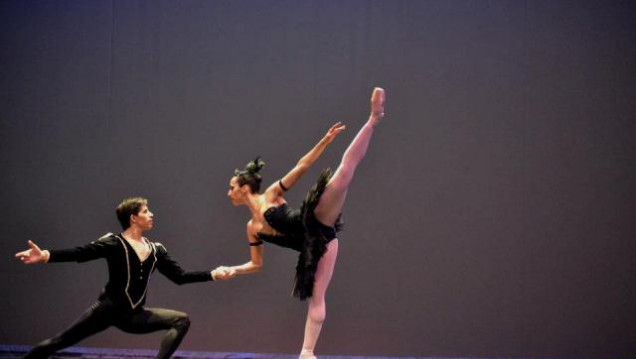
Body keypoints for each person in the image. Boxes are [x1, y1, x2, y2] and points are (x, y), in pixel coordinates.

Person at [220, 87, 386, 359]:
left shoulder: (271, 195)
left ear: (244, 188)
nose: (228, 193)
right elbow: (256, 264)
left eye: (231, 187)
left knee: (344, 173)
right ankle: (307, 353)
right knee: (316, 297)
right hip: (317, 246)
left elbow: (301, 167)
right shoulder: (251, 228)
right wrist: (233, 270)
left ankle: (373, 119)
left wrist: (325, 140)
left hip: (316, 218)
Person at [15, 197, 233, 359]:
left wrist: (212, 274)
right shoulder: (114, 243)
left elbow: (180, 277)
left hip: (134, 316)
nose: (151, 214)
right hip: (106, 311)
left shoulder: (156, 250)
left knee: (181, 320)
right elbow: (80, 253)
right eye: (146, 211)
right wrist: (45, 256)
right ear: (133, 218)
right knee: (59, 342)